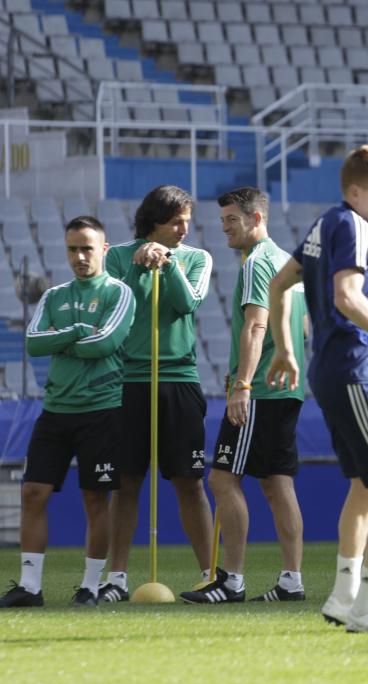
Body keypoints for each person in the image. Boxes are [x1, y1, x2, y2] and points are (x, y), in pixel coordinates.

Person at [266, 145, 368, 634]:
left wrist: (285, 349)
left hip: (328, 371)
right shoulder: (354, 225)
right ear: (356, 191)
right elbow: (346, 295)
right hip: (354, 369)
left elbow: (279, 283)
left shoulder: (323, 224)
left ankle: (343, 596)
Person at [180, 187, 307, 604]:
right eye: (222, 222)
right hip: (288, 387)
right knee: (276, 482)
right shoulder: (288, 263)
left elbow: (256, 327)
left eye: (232, 220)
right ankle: (291, 580)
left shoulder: (257, 264)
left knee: (221, 477)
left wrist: (243, 384)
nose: (225, 229)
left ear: (256, 219)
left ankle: (231, 580)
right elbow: (302, 329)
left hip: (263, 391)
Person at [0, 217, 135, 608]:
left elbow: (106, 342)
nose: (79, 256)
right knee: (33, 493)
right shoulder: (54, 296)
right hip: (55, 410)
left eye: (87, 248)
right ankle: (30, 586)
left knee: (95, 499)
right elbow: (33, 343)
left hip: (102, 410)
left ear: (104, 250)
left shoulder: (119, 292)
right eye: (73, 249)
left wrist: (65, 338)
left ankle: (90, 587)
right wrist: (78, 330)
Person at [100, 185, 215, 601]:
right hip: (128, 381)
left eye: (187, 220)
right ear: (153, 222)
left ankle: (209, 574)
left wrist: (167, 265)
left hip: (179, 379)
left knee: (190, 482)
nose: (183, 229)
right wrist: (137, 265)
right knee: (125, 482)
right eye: (174, 221)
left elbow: (188, 304)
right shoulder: (116, 256)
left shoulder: (197, 258)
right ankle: (115, 578)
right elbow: (116, 304)